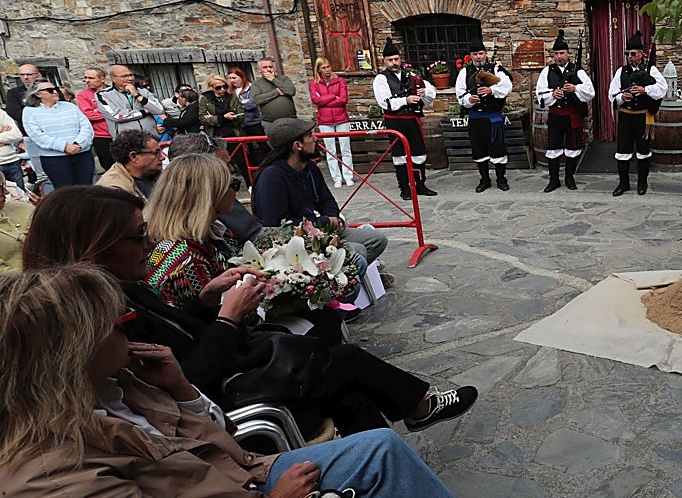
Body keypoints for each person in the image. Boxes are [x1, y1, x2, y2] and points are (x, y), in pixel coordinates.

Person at [0, 263, 544, 498]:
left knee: (375, 447)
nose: (131, 328)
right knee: (369, 440)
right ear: (74, 352)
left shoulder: (112, 388)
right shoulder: (45, 475)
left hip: (228, 485)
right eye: (119, 324)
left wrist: (183, 391)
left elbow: (217, 441)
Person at [23, 185, 475, 438]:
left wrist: (207, 300)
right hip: (223, 400)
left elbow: (176, 332)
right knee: (343, 360)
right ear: (98, 246)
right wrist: (228, 316)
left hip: (232, 371)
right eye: (138, 236)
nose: (148, 242)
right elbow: (183, 379)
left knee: (349, 390)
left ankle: (385, 479)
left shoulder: (124, 286)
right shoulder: (99, 320)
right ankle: (416, 410)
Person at [252, 118, 391, 279]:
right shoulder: (272, 177)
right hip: (294, 246)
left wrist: (332, 216)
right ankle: (347, 284)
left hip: (320, 231)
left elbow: (326, 199)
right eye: (310, 136)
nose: (316, 138)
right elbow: (276, 227)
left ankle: (356, 277)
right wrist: (323, 222)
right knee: (358, 252)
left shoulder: (309, 167)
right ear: (297, 146)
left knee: (377, 240)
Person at [169, 132, 262, 243]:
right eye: (224, 165)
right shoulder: (186, 244)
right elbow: (251, 234)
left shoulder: (212, 218)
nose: (232, 169)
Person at [374, 39, 437, 199]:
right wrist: (405, 100)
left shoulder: (411, 75)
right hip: (395, 121)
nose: (394, 62)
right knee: (400, 155)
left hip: (412, 120)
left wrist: (424, 92)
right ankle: (405, 188)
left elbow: (430, 92)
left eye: (396, 59)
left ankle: (420, 184)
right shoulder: (381, 79)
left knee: (419, 153)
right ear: (384, 61)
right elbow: (385, 102)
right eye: (390, 60)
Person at [608, 30, 667, 196]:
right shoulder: (621, 72)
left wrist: (644, 90)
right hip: (626, 117)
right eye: (627, 54)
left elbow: (663, 89)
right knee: (622, 152)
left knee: (643, 152)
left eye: (633, 54)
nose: (630, 57)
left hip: (643, 118)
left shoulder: (651, 70)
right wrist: (622, 97)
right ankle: (623, 183)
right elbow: (611, 93)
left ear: (641, 53)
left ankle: (642, 183)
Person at [535, 29, 595, 192]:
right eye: (556, 54)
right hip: (555, 116)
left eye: (562, 53)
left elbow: (590, 92)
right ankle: (553, 180)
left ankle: (569, 178)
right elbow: (539, 93)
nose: (559, 57)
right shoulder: (547, 71)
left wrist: (575, 88)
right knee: (553, 148)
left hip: (573, 116)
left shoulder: (578, 70)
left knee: (572, 148)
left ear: (568, 53)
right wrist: (552, 94)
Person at [455, 41, 514, 192]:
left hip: (493, 117)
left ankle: (501, 179)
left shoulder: (495, 69)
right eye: (475, 54)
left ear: (485, 54)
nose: (478, 57)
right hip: (476, 118)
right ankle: (485, 179)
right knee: (479, 149)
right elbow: (460, 93)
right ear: (471, 56)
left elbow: (507, 86)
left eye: (481, 53)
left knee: (498, 149)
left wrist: (491, 90)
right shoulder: (465, 72)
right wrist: (469, 99)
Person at [22, 80, 94, 189]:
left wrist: (79, 144)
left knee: (87, 190)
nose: (55, 92)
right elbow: (37, 135)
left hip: (81, 154)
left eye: (56, 89)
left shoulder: (70, 106)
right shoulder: (29, 111)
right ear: (38, 94)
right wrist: (64, 147)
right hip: (54, 159)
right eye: (50, 90)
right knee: (65, 192)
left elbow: (86, 127)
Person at [311, 56, 357, 188]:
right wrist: (332, 96)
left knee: (345, 148)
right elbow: (316, 100)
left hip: (341, 118)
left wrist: (324, 99)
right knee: (330, 151)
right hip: (325, 121)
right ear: (318, 70)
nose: (327, 70)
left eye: (328, 67)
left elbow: (343, 99)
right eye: (323, 68)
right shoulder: (314, 83)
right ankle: (337, 178)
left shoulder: (339, 81)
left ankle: (348, 176)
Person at [99, 65, 165, 137]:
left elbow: (159, 109)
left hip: (150, 137)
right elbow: (117, 116)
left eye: (131, 75)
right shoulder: (104, 95)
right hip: (126, 139)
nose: (130, 78)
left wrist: (137, 95)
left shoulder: (143, 91)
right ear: (113, 78)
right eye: (124, 76)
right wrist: (143, 112)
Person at [97, 129, 163, 198]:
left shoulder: (157, 174)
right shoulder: (112, 190)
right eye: (156, 153)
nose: (162, 157)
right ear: (133, 156)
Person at [75, 66, 115, 170]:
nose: (87, 81)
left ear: (102, 79)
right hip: (101, 136)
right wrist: (113, 113)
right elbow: (88, 115)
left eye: (91, 78)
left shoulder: (114, 92)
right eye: (85, 78)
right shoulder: (83, 95)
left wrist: (98, 110)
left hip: (119, 133)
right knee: (109, 166)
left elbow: (124, 110)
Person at [252, 57, 298, 125]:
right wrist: (277, 92)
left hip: (290, 120)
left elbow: (291, 91)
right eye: (265, 67)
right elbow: (257, 100)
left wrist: (273, 79)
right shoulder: (257, 84)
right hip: (270, 122)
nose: (268, 69)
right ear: (259, 70)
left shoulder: (284, 79)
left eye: (270, 67)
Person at [0, 179, 34, 271]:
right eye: (0, 189)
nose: (6, 192)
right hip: (26, 278)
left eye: (3, 186)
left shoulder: (24, 208)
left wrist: (47, 208)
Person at [0, 107, 24, 189]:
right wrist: (5, 135)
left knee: (20, 194)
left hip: (12, 161)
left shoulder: (1, 113)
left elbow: (17, 135)